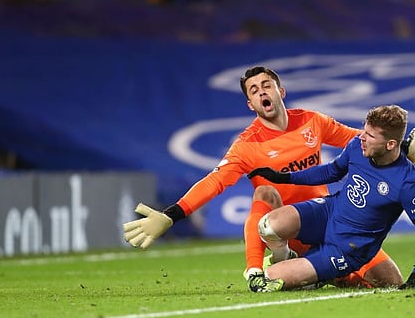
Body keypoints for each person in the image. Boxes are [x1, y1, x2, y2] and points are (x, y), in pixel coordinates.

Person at [123, 66, 404, 289]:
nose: (261, 92)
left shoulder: (312, 122)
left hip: (332, 220)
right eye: (254, 90)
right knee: (265, 192)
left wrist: (403, 146)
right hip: (289, 229)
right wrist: (172, 214)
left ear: (280, 90)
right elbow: (214, 183)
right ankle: (257, 269)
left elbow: (362, 141)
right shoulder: (247, 145)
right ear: (250, 104)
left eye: (266, 85)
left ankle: (324, 274)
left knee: (392, 281)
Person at [247, 105, 415, 291]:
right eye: (364, 130)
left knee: (270, 278)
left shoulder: (407, 181)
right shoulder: (357, 147)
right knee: (268, 226)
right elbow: (331, 171)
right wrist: (285, 177)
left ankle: (322, 275)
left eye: (370, 135)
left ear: (390, 144)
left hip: (348, 248)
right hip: (328, 214)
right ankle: (288, 258)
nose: (362, 137)